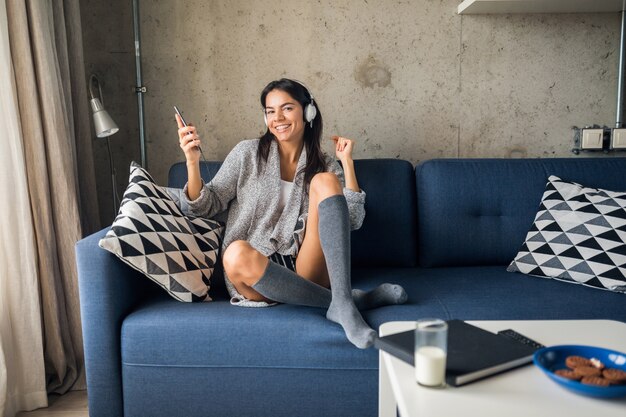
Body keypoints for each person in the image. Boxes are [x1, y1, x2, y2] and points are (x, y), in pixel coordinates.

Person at [176, 78, 407, 349]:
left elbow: (352, 219)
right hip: (255, 272)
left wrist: (347, 164)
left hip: (303, 265)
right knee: (235, 252)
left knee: (325, 181)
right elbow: (203, 206)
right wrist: (192, 162)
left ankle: (341, 302)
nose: (278, 118)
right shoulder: (246, 154)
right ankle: (349, 302)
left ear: (308, 112)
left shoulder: (325, 164)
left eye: (287, 108)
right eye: (270, 111)